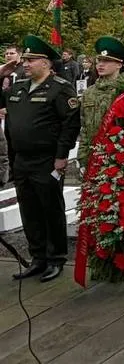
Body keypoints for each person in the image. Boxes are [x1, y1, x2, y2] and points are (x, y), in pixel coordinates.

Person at [1, 35, 80, 282]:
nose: (26, 64)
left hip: (47, 159)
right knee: (29, 209)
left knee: (50, 208)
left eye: (31, 59)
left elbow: (70, 124)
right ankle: (38, 258)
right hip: (22, 159)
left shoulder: (60, 88)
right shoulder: (18, 87)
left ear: (45, 62)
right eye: (24, 59)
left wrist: (61, 156)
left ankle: (55, 258)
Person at [77, 37, 124, 166]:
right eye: (99, 61)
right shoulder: (89, 93)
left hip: (121, 158)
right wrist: (82, 157)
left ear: (119, 64)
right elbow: (84, 127)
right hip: (93, 157)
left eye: (107, 61)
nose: (100, 65)